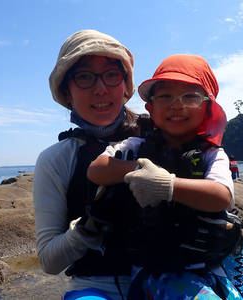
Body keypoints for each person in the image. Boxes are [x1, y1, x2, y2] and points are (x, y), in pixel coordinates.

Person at [88, 54, 243, 299]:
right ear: (150, 108)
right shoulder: (134, 146)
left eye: (190, 96)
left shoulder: (212, 154)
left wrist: (166, 185)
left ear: (208, 108)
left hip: (212, 265)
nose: (177, 104)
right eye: (165, 96)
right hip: (156, 272)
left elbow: (222, 196)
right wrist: (140, 172)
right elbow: (96, 169)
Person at [33, 29, 153, 300]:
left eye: (111, 74)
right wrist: (89, 226)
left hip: (174, 277)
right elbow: (49, 262)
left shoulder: (161, 134)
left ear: (125, 84)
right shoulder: (56, 159)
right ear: (66, 92)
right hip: (97, 288)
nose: (101, 88)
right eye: (84, 77)